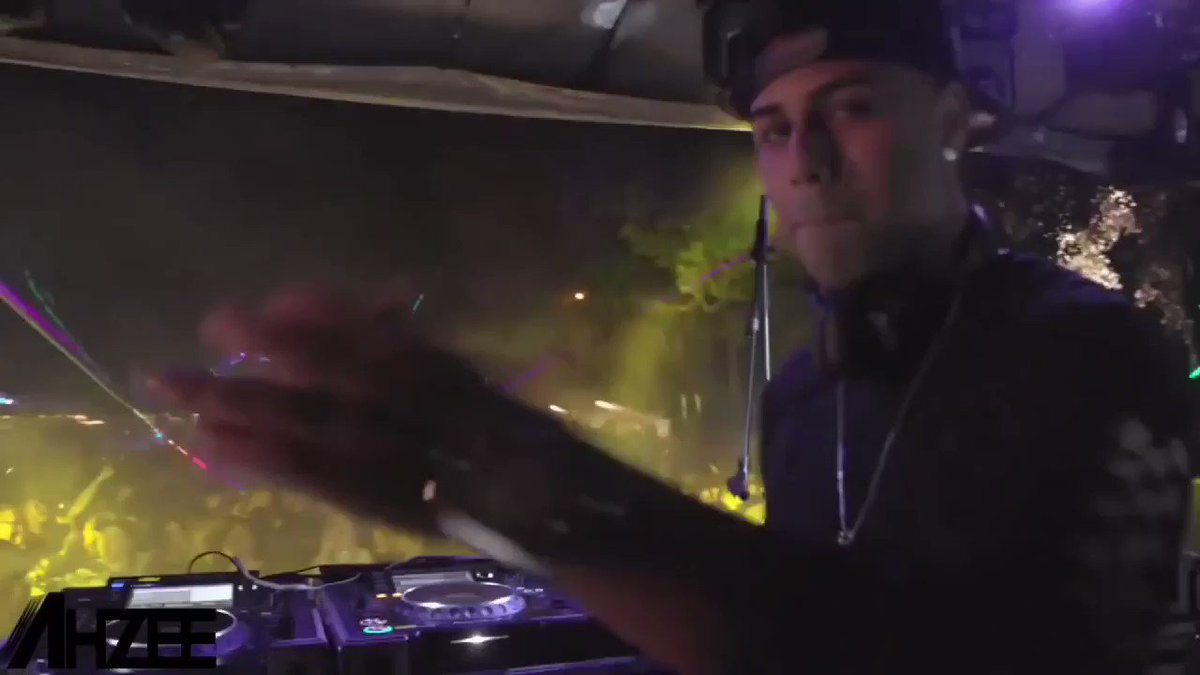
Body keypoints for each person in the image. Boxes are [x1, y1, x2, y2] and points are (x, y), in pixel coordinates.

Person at [154, 2, 1194, 674]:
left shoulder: (1089, 353)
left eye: (852, 108)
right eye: (775, 129)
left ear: (957, 121)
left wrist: (513, 477)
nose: (806, 159)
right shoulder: (803, 392)